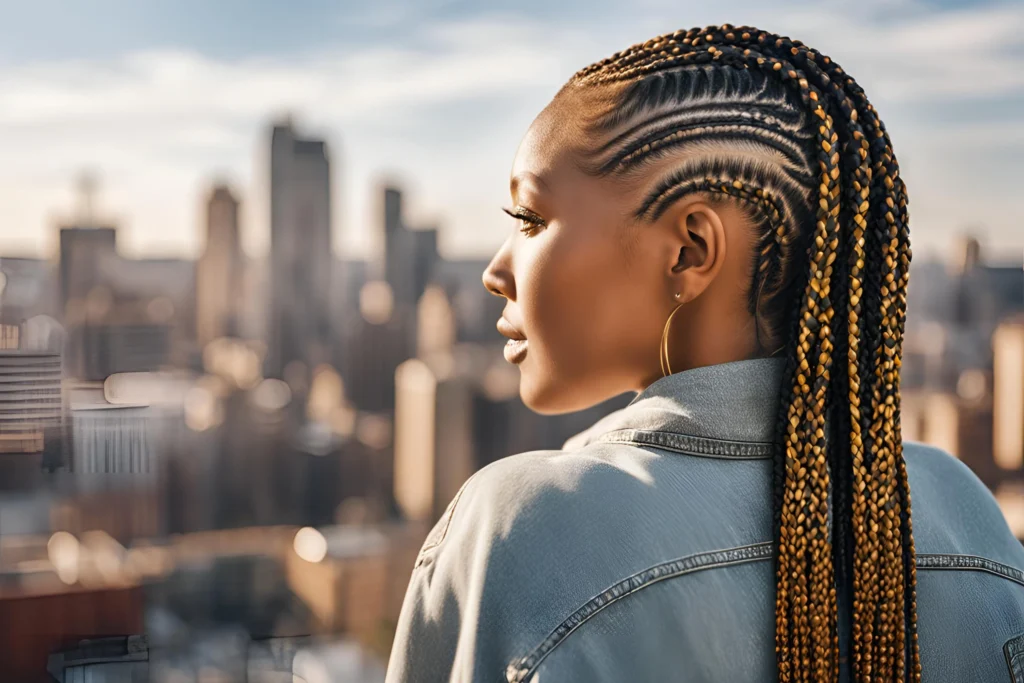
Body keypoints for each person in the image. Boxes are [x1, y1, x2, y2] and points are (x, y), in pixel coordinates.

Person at [384, 24, 1024, 683]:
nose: (495, 269)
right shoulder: (966, 515)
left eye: (531, 219)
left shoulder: (519, 532)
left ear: (689, 250)